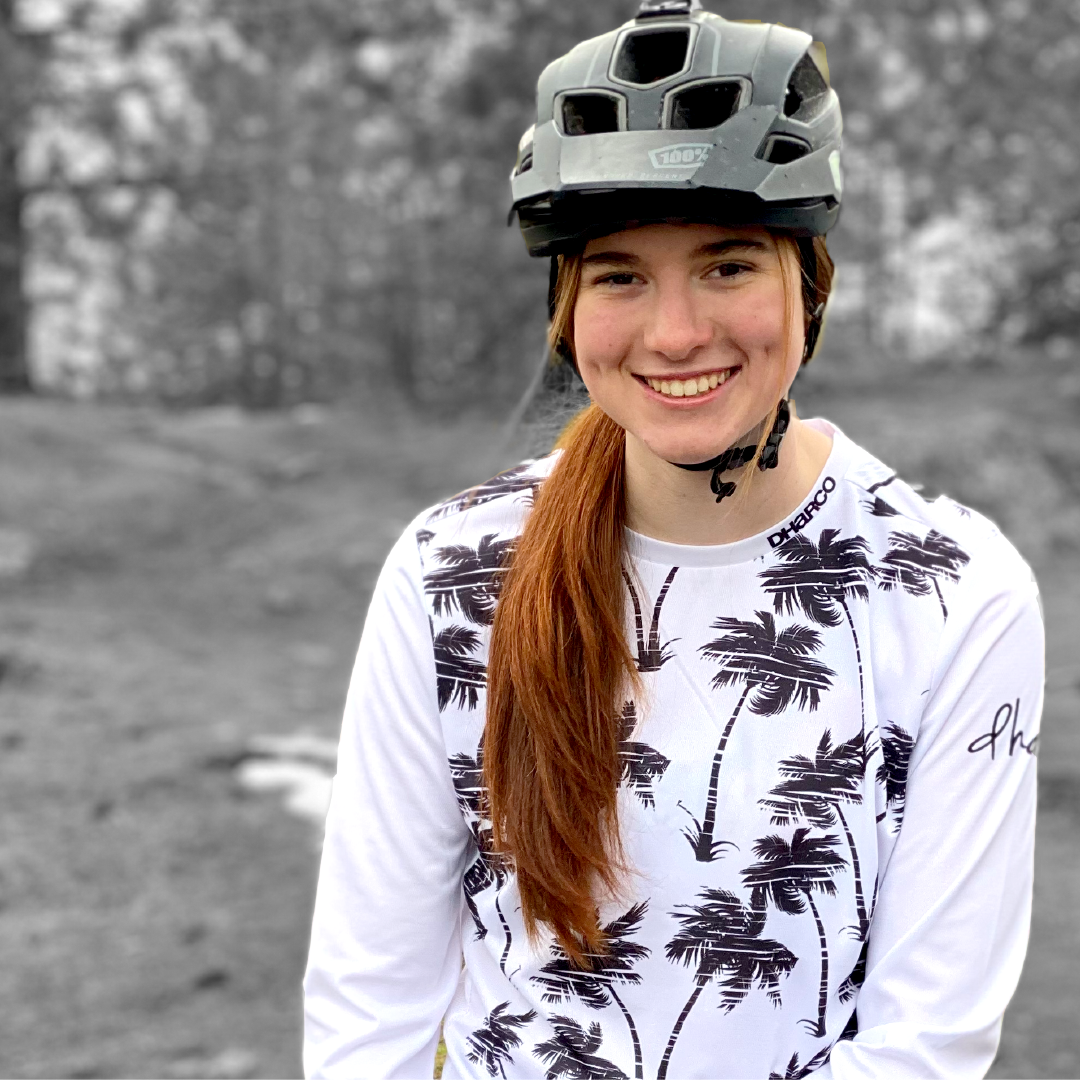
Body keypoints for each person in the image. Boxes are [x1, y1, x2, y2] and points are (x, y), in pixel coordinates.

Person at [303, 3, 1043, 1077]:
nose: (677, 332)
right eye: (620, 275)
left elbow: (924, 1042)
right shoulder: (453, 573)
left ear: (809, 287)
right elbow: (368, 1006)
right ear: (567, 309)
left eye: (727, 265)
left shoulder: (953, 592)